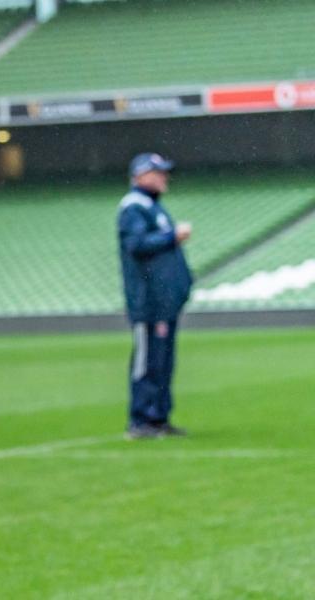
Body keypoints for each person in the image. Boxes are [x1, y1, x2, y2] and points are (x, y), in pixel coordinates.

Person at [117, 152, 192, 440]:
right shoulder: (134, 207)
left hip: (164, 302)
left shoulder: (152, 207)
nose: (164, 177)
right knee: (147, 361)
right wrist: (172, 237)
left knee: (163, 362)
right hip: (148, 301)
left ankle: (159, 416)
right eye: (157, 172)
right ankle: (140, 419)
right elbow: (136, 244)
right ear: (140, 176)